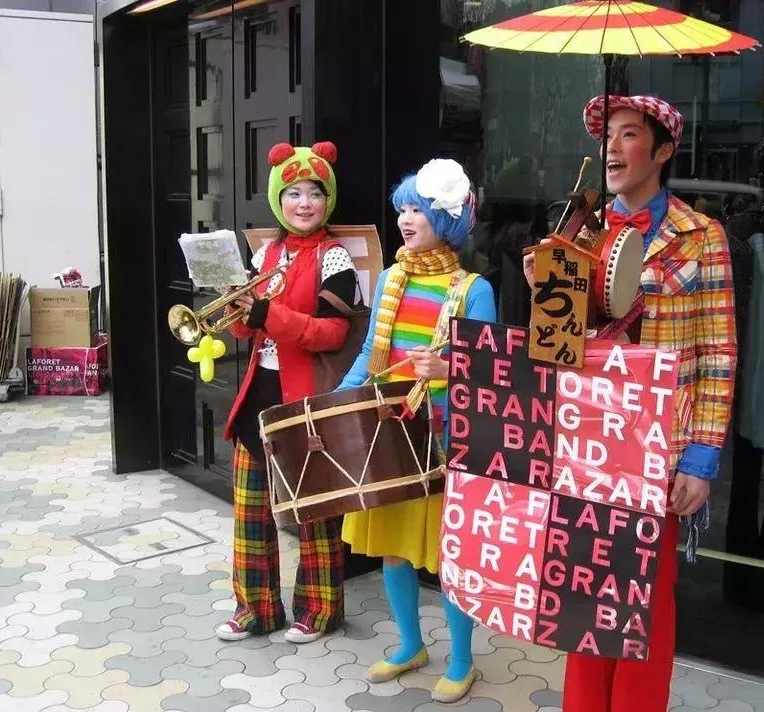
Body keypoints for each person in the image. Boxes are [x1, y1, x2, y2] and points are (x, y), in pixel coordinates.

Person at [524, 95, 737, 712]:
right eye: (608, 137)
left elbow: (719, 352)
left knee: (644, 602)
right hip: (585, 438)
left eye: (629, 135)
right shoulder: (578, 230)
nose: (612, 149)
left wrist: (700, 457)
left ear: (663, 150)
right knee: (583, 598)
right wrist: (550, 295)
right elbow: (553, 352)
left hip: (658, 446)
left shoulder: (701, 239)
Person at [337, 158, 497, 703]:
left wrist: (450, 369)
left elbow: (491, 376)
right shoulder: (390, 277)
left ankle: (462, 659)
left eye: (419, 209)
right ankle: (410, 645)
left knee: (452, 556)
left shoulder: (475, 289)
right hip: (390, 434)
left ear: (445, 219)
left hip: (446, 441)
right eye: (403, 208)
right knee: (393, 550)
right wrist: (338, 402)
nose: (406, 218)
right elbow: (368, 353)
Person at [216, 141, 358, 645]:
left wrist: (268, 314)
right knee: (251, 509)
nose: (303, 203)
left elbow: (334, 333)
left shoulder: (335, 255)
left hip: (306, 399)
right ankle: (255, 609)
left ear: (327, 200)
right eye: (293, 193)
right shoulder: (266, 253)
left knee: (314, 508)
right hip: (261, 392)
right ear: (279, 199)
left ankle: (320, 610)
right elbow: (248, 331)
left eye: (314, 194)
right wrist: (235, 312)